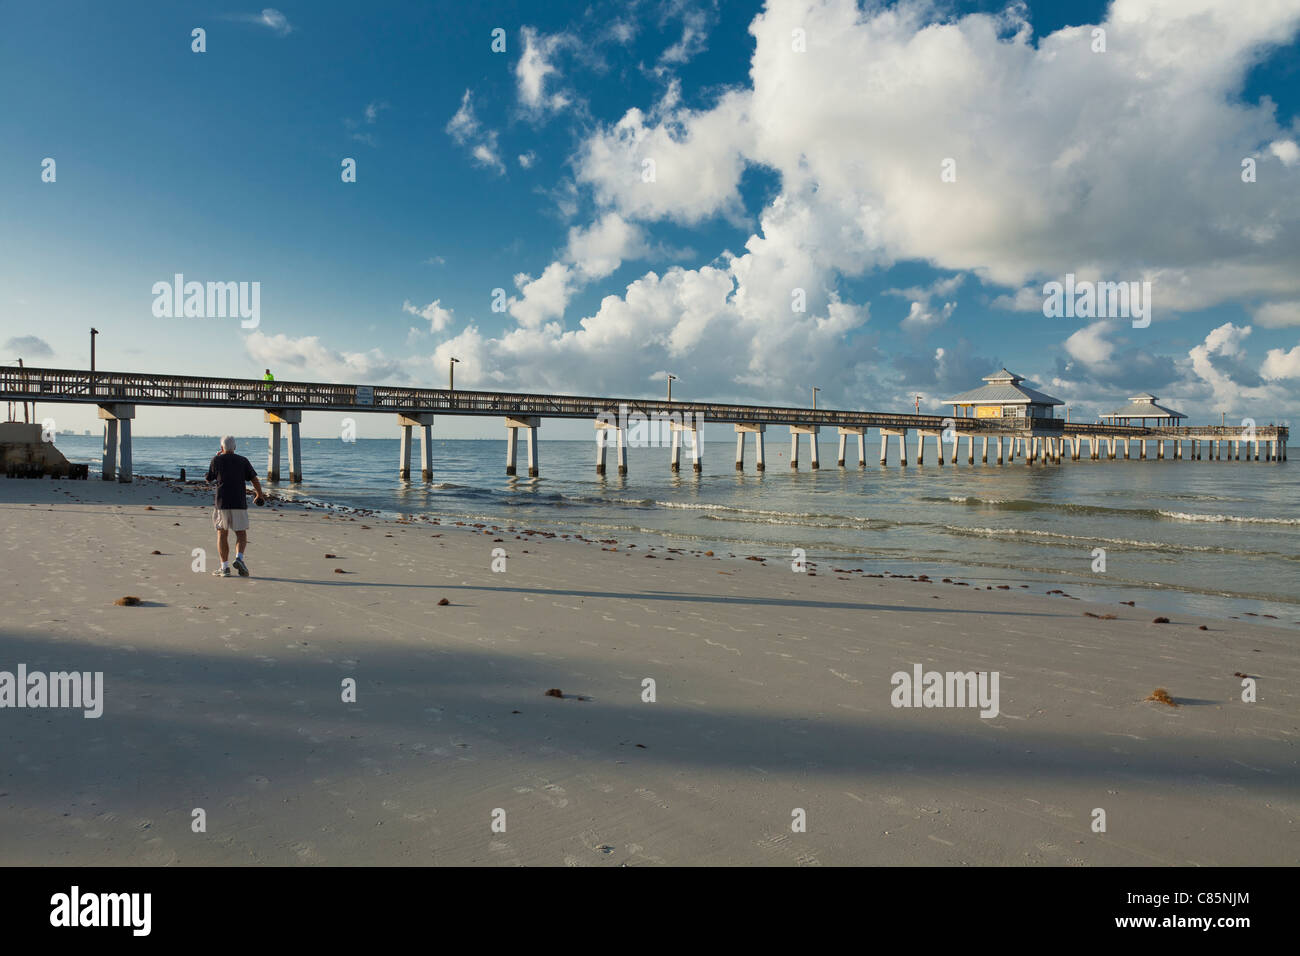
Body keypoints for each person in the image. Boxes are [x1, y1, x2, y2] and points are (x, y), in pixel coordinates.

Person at [205, 435, 265, 577]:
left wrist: (215, 457)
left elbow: (208, 479)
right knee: (241, 533)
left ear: (221, 448)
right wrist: (259, 495)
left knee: (222, 533)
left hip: (222, 503)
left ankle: (224, 567)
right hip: (239, 502)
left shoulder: (216, 460)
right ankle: (239, 558)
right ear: (235, 447)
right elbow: (254, 479)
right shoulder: (243, 460)